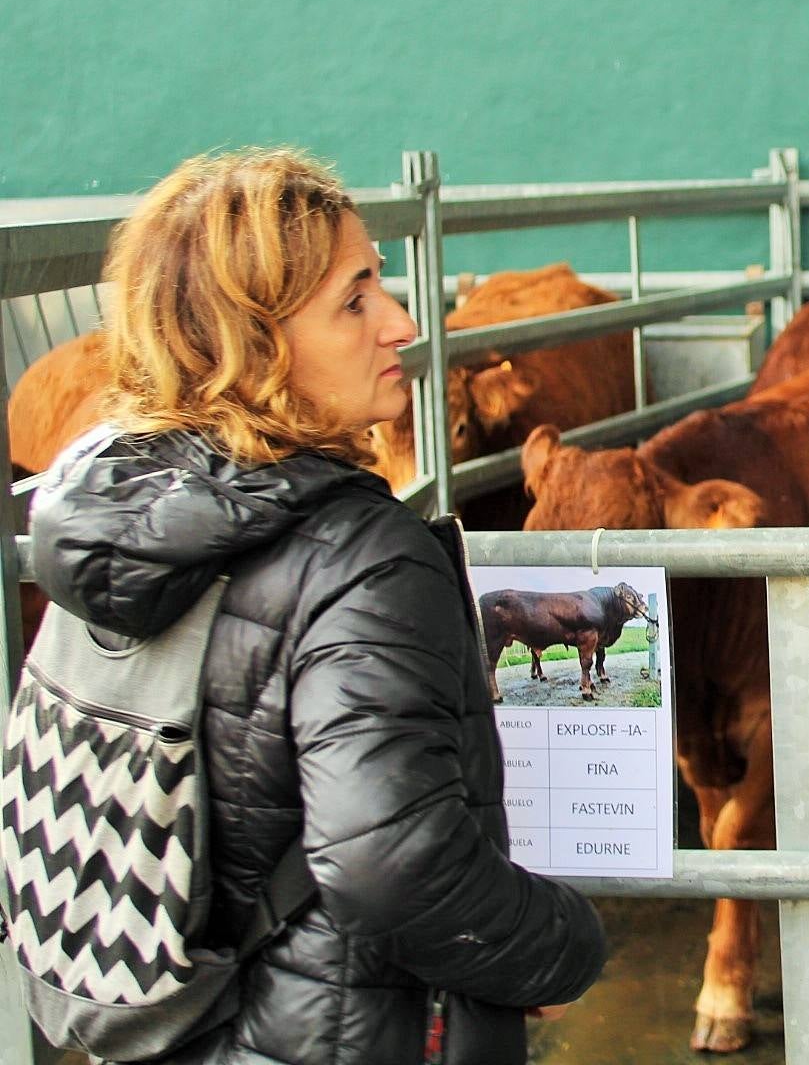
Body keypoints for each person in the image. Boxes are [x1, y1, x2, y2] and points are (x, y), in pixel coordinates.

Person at [26, 148, 606, 1064]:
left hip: (173, 1020)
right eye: (355, 299)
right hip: (345, 1030)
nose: (401, 323)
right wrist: (561, 946)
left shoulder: (112, 513)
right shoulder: (365, 558)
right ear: (250, 343)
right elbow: (396, 863)